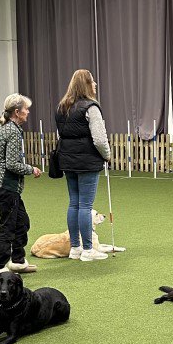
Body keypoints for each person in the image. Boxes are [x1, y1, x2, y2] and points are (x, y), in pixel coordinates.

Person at [54, 69, 112, 262]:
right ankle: (88, 250)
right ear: (86, 85)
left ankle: (75, 248)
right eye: (92, 82)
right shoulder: (91, 107)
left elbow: (60, 134)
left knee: (74, 203)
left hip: (67, 160)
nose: (95, 85)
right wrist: (107, 155)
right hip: (87, 161)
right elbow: (100, 139)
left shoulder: (62, 107)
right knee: (85, 205)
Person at [0, 93, 42, 278]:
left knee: (22, 222)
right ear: (17, 112)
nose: (28, 112)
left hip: (4, 185)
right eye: (26, 109)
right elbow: (12, 164)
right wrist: (31, 169)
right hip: (7, 186)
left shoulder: (5, 128)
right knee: (8, 226)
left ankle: (18, 261)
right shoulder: (11, 131)